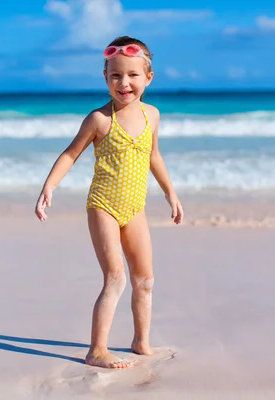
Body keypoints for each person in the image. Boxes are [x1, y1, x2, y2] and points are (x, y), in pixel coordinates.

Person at [34, 36, 183, 369]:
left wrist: (170, 193)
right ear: (105, 78)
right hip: (103, 206)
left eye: (132, 74)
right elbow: (71, 154)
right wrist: (49, 186)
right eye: (115, 75)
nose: (124, 82)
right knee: (116, 277)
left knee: (145, 279)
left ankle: (140, 341)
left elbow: (154, 156)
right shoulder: (99, 119)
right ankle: (97, 350)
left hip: (136, 209)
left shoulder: (152, 116)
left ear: (148, 78)